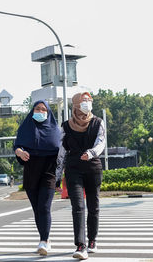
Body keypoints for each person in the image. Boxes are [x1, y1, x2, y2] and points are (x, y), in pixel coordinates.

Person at [55, 92, 106, 260]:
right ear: (75, 104)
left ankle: (92, 240)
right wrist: (57, 176)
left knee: (93, 206)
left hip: (93, 168)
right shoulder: (66, 126)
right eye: (83, 101)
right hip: (73, 169)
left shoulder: (98, 122)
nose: (87, 103)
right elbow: (62, 152)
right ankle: (80, 245)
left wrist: (91, 153)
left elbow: (101, 142)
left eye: (89, 101)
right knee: (77, 207)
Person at [14, 100, 61, 256]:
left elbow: (61, 157)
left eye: (43, 109)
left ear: (48, 112)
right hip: (31, 172)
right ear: (32, 111)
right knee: (37, 209)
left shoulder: (55, 130)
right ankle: (44, 239)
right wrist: (20, 152)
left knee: (44, 207)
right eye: (37, 109)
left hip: (49, 172)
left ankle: (44, 241)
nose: (40, 111)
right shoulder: (26, 127)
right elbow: (17, 146)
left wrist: (60, 179)